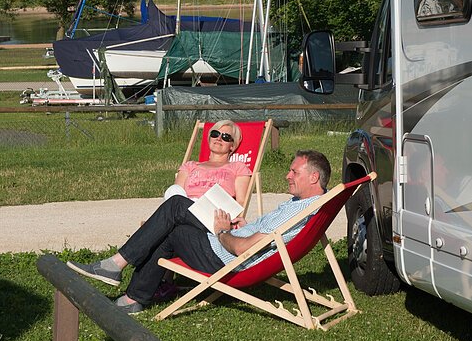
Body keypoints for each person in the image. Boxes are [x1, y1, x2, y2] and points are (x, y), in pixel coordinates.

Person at [68, 150, 331, 313]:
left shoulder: (300, 210)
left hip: (225, 257)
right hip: (228, 242)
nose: (287, 175)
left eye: (294, 171)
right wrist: (240, 226)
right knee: (173, 217)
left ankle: (118, 269)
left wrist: (222, 232)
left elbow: (243, 249)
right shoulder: (310, 204)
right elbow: (259, 237)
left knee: (175, 208)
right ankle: (132, 295)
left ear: (313, 178)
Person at [164, 120, 251, 202]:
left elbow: (241, 201)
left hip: (214, 208)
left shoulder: (238, 167)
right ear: (210, 139)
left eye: (226, 137)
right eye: (215, 134)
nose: (219, 138)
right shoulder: (189, 166)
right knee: (173, 190)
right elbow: (176, 196)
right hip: (186, 206)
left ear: (232, 145)